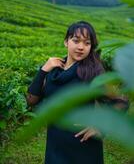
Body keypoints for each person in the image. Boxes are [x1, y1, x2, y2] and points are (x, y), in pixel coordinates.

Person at [26, 21, 129, 164]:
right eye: (76, 41)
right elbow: (32, 100)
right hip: (56, 143)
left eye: (87, 43)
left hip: (83, 145)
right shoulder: (54, 70)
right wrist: (43, 70)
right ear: (66, 42)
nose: (81, 47)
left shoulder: (93, 71)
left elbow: (121, 102)